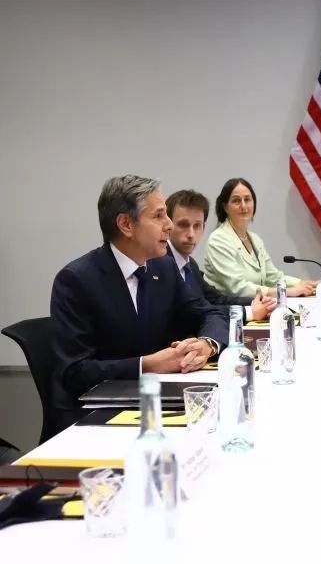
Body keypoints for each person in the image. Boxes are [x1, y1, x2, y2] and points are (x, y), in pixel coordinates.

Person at [50, 175, 228, 432]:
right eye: (158, 216)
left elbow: (209, 313)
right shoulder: (77, 280)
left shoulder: (163, 268)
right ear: (126, 224)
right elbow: (75, 372)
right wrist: (148, 364)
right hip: (96, 418)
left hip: (154, 405)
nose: (169, 225)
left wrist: (206, 345)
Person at [165, 189, 276, 322]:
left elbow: (216, 299)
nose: (191, 234)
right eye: (183, 225)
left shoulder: (190, 265)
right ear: (167, 225)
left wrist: (256, 302)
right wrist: (249, 312)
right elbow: (193, 311)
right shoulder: (161, 264)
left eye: (197, 226)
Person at [203, 178, 318, 298]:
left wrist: (304, 284)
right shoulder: (218, 240)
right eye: (236, 201)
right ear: (225, 207)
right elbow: (238, 288)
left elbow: (273, 277)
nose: (243, 205)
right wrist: (286, 291)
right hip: (227, 307)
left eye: (247, 199)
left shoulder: (255, 239)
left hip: (255, 305)